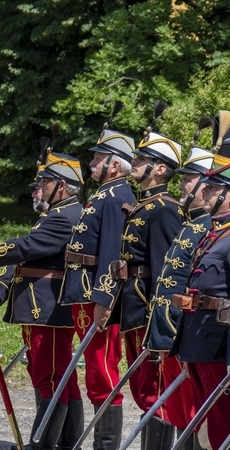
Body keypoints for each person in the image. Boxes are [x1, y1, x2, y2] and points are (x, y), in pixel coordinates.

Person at [0, 148, 84, 450]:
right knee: (57, 375)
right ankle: (66, 442)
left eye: (45, 182)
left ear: (61, 186)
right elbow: (25, 261)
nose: (39, 188)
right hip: (41, 307)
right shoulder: (55, 215)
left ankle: (42, 445)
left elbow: (26, 247)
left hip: (49, 309)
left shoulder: (67, 217)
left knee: (50, 376)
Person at [59, 104, 135, 450]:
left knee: (102, 371)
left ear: (114, 165)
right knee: (94, 370)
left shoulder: (118, 196)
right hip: (85, 292)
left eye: (98, 158)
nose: (91, 163)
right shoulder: (104, 194)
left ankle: (105, 446)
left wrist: (104, 299)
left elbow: (112, 253)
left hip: (98, 296)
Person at [113, 106, 185, 449]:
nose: (135, 163)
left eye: (142, 159)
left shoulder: (166, 209)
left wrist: (161, 319)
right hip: (133, 304)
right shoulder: (144, 205)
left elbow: (166, 271)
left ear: (159, 169)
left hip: (148, 309)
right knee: (142, 388)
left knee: (154, 389)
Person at [144, 131, 214, 450]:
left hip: (184, 330)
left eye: (188, 180)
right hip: (169, 330)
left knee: (194, 411)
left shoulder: (209, 226)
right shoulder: (190, 222)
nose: (182, 185)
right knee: (178, 409)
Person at [170, 112, 230, 449]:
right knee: (207, 427)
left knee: (221, 427)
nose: (203, 191)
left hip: (219, 347)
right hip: (200, 341)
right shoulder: (214, 233)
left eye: (212, 187)